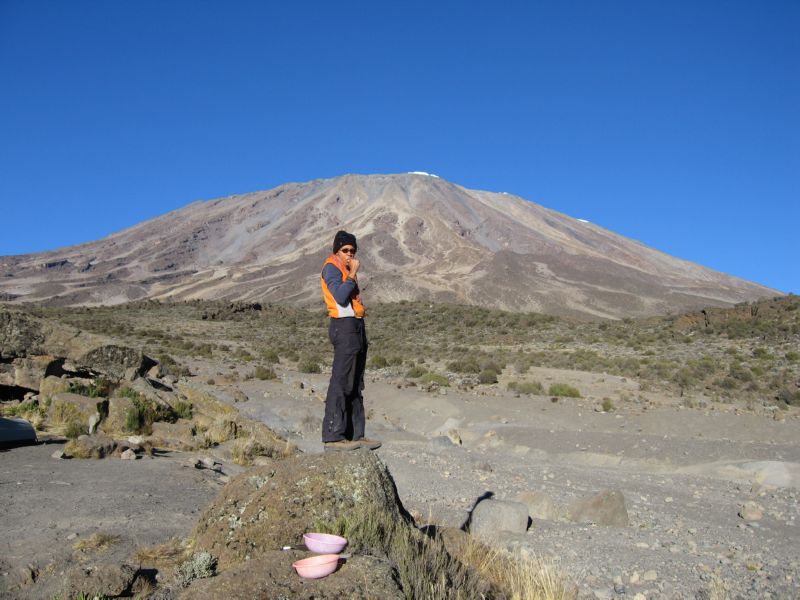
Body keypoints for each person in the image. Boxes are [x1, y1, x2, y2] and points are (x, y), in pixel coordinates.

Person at [320, 230, 381, 451]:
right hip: (343, 328)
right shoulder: (332, 268)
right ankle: (334, 435)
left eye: (353, 251)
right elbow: (339, 296)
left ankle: (356, 434)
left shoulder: (345, 269)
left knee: (355, 383)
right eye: (345, 250)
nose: (350, 255)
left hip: (356, 327)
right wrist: (352, 274)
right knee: (341, 380)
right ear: (337, 250)